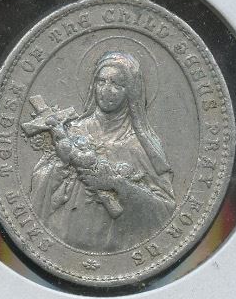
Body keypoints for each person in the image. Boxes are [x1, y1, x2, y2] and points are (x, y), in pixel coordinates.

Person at [26, 50, 176, 252]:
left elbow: (165, 211)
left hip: (114, 246)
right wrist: (62, 167)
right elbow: (40, 185)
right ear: (93, 85)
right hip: (62, 237)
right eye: (101, 81)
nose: (106, 90)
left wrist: (116, 184)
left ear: (130, 91)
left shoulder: (140, 144)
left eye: (116, 84)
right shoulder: (73, 131)